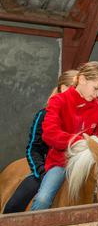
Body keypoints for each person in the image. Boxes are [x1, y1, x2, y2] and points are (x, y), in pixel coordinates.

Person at [31, 62, 98, 210]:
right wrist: (80, 142)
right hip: (61, 163)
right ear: (82, 79)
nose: (97, 95)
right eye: (96, 88)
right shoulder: (58, 101)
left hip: (91, 166)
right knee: (43, 199)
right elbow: (50, 134)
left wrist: (97, 145)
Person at [3, 70, 77, 213]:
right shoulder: (44, 115)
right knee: (15, 204)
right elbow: (33, 148)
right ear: (63, 88)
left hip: (78, 170)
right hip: (47, 168)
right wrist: (43, 172)